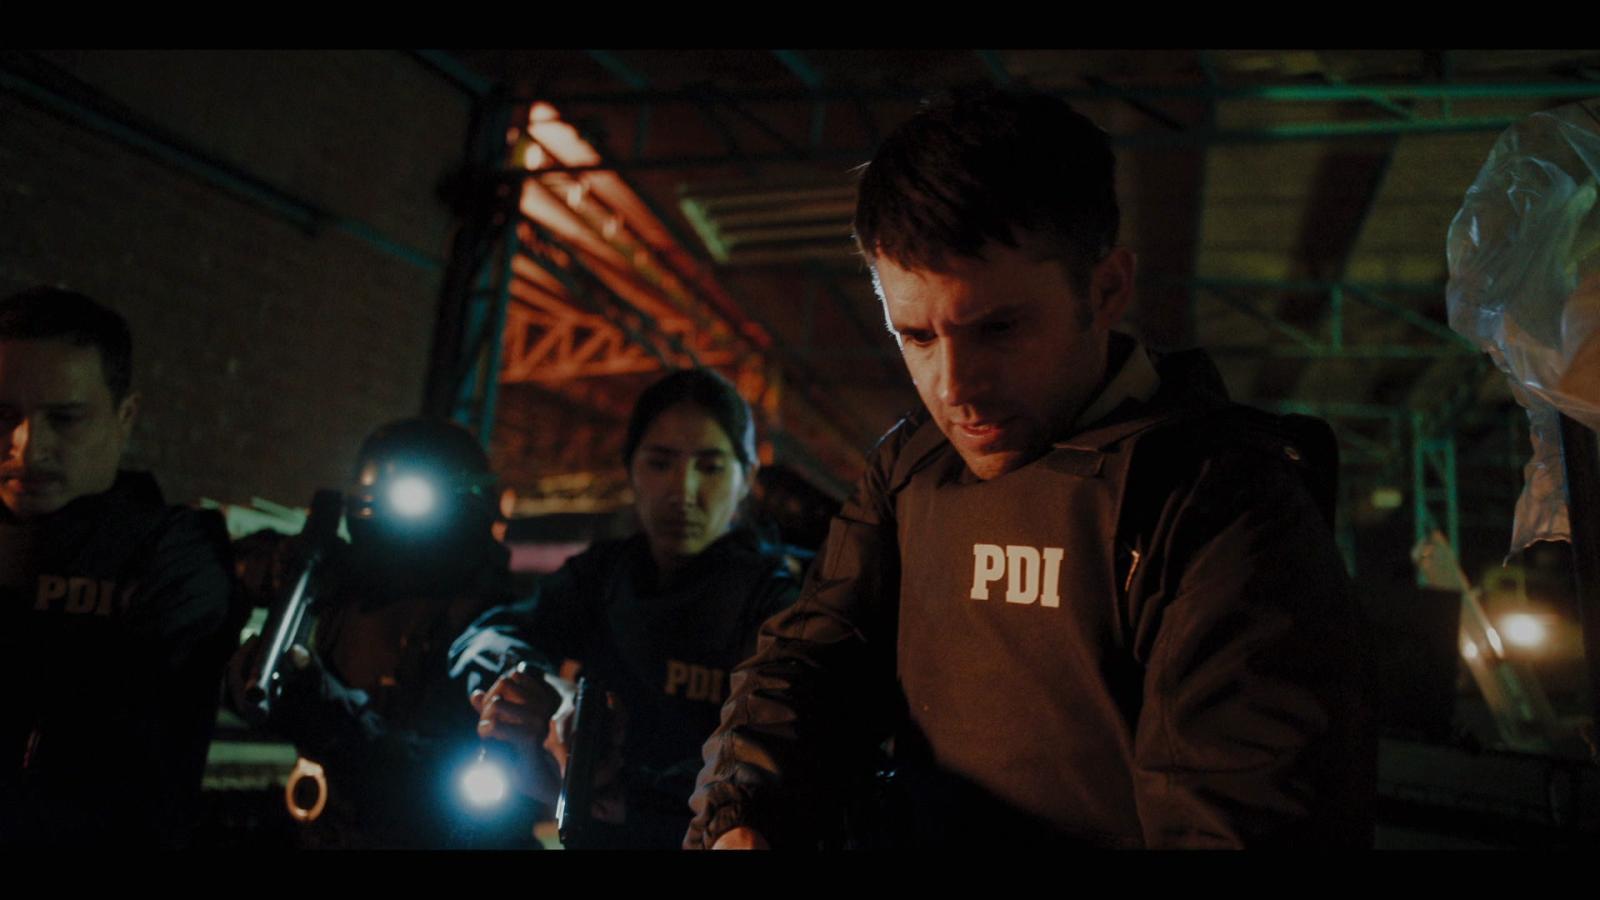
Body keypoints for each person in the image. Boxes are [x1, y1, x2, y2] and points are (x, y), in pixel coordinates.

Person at [685, 89, 1375, 850]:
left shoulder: (1223, 504)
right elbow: (808, 664)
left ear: (1106, 290)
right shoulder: (912, 467)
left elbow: (1239, 819)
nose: (954, 388)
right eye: (917, 336)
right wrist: (743, 814)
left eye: (999, 328)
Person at [451, 367, 800, 848]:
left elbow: (773, 760)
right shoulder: (603, 575)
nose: (683, 491)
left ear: (747, 479)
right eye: (660, 463)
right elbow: (484, 636)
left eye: (710, 467)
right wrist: (533, 683)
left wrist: (623, 791)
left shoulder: (773, 601)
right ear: (631, 469)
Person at [0, 286, 239, 847]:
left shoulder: (170, 553)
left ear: (124, 416)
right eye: (3, 415)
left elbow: (119, 734)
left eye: (65, 419)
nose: (28, 447)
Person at [227, 417, 524, 848]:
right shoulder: (342, 582)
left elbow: (449, 772)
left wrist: (330, 718)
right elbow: (230, 564)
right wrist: (274, 566)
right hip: (328, 829)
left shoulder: (489, 622)